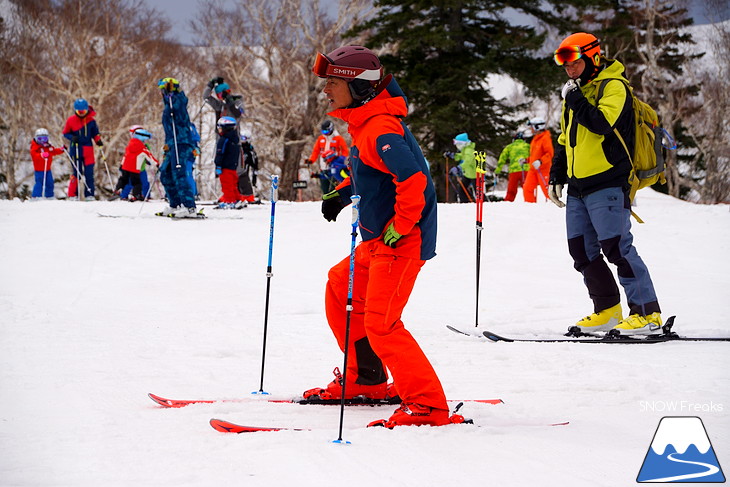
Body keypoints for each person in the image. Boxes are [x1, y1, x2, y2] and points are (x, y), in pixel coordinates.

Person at [306, 45, 452, 428]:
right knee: (340, 286)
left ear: (356, 86)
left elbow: (413, 180)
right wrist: (341, 193)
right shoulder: (366, 123)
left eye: (332, 82)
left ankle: (427, 405)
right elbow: (371, 170)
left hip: (401, 242)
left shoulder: (381, 127)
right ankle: (366, 379)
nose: (326, 90)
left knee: (383, 323)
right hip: (377, 242)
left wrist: (401, 226)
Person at [549, 32, 661, 335]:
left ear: (592, 57)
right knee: (582, 251)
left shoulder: (614, 87)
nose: (569, 70)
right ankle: (608, 310)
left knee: (617, 248)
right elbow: (565, 138)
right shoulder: (574, 91)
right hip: (579, 185)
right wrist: (557, 174)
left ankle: (647, 313)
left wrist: (574, 98)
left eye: (574, 63)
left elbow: (599, 124)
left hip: (609, 181)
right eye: (565, 65)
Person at [158, 77, 198, 217]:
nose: (161, 92)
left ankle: (189, 207)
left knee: (179, 174)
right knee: (165, 174)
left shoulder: (178, 101)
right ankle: (175, 204)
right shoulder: (168, 103)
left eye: (163, 89)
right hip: (171, 144)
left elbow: (179, 106)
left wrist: (173, 93)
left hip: (181, 142)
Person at [63, 98, 103, 200]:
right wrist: (72, 137)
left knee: (89, 173)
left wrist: (98, 140)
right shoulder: (71, 120)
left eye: (83, 112)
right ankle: (73, 194)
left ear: (87, 110)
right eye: (78, 112)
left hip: (88, 149)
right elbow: (65, 133)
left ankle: (89, 195)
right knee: (77, 172)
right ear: (75, 110)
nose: (81, 114)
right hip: (75, 148)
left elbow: (95, 133)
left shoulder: (91, 121)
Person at [113, 127, 158, 201]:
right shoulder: (143, 148)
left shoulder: (129, 146)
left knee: (125, 180)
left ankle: (118, 190)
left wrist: (122, 165)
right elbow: (150, 156)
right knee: (137, 182)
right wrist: (157, 164)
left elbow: (125, 156)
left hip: (127, 167)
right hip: (136, 168)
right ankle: (135, 195)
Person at [305, 120, 349, 194]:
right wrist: (311, 160)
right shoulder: (320, 139)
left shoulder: (338, 139)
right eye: (323, 132)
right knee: (324, 188)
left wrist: (340, 160)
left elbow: (345, 151)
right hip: (323, 167)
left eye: (326, 132)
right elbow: (316, 151)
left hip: (334, 166)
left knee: (333, 188)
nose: (325, 134)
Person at [213, 116, 243, 208]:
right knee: (233, 184)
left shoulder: (223, 140)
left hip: (225, 167)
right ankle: (237, 199)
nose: (219, 130)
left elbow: (220, 153)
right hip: (233, 167)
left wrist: (218, 165)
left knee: (227, 185)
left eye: (220, 128)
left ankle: (229, 201)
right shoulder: (235, 140)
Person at [522, 117, 553, 203]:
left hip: (543, 170)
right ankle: (530, 207)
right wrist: (527, 160)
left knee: (547, 191)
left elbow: (549, 154)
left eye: (532, 127)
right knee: (527, 188)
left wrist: (540, 161)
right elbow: (534, 155)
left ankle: (554, 207)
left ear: (537, 127)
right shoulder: (535, 139)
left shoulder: (545, 138)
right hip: (533, 169)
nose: (531, 129)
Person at [495, 130, 531, 202]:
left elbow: (502, 158)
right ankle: (530, 202)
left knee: (511, 190)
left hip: (514, 171)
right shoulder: (528, 146)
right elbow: (534, 156)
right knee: (528, 189)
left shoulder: (509, 147)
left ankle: (508, 202)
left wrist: (498, 170)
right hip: (526, 170)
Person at [29, 128, 64, 199]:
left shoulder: (48, 147)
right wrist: (42, 155)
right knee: (39, 183)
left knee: (50, 183)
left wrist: (61, 150)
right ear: (36, 138)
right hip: (39, 170)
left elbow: (54, 151)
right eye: (40, 139)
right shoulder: (35, 147)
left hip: (47, 169)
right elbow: (34, 155)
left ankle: (49, 196)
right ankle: (36, 196)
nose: (42, 141)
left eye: (44, 138)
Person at [445, 132, 477, 203]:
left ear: (463, 143)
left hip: (475, 174)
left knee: (478, 192)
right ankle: (465, 203)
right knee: (462, 190)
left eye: (458, 144)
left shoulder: (469, 150)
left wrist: (459, 168)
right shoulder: (465, 150)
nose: (457, 145)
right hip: (468, 174)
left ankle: (485, 204)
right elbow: (461, 156)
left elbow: (468, 161)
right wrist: (453, 155)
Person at [239, 131, 260, 203]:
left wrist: (254, 179)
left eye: (243, 138)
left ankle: (247, 196)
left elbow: (254, 164)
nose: (242, 140)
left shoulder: (250, 151)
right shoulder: (238, 147)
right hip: (236, 169)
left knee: (244, 182)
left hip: (244, 171)